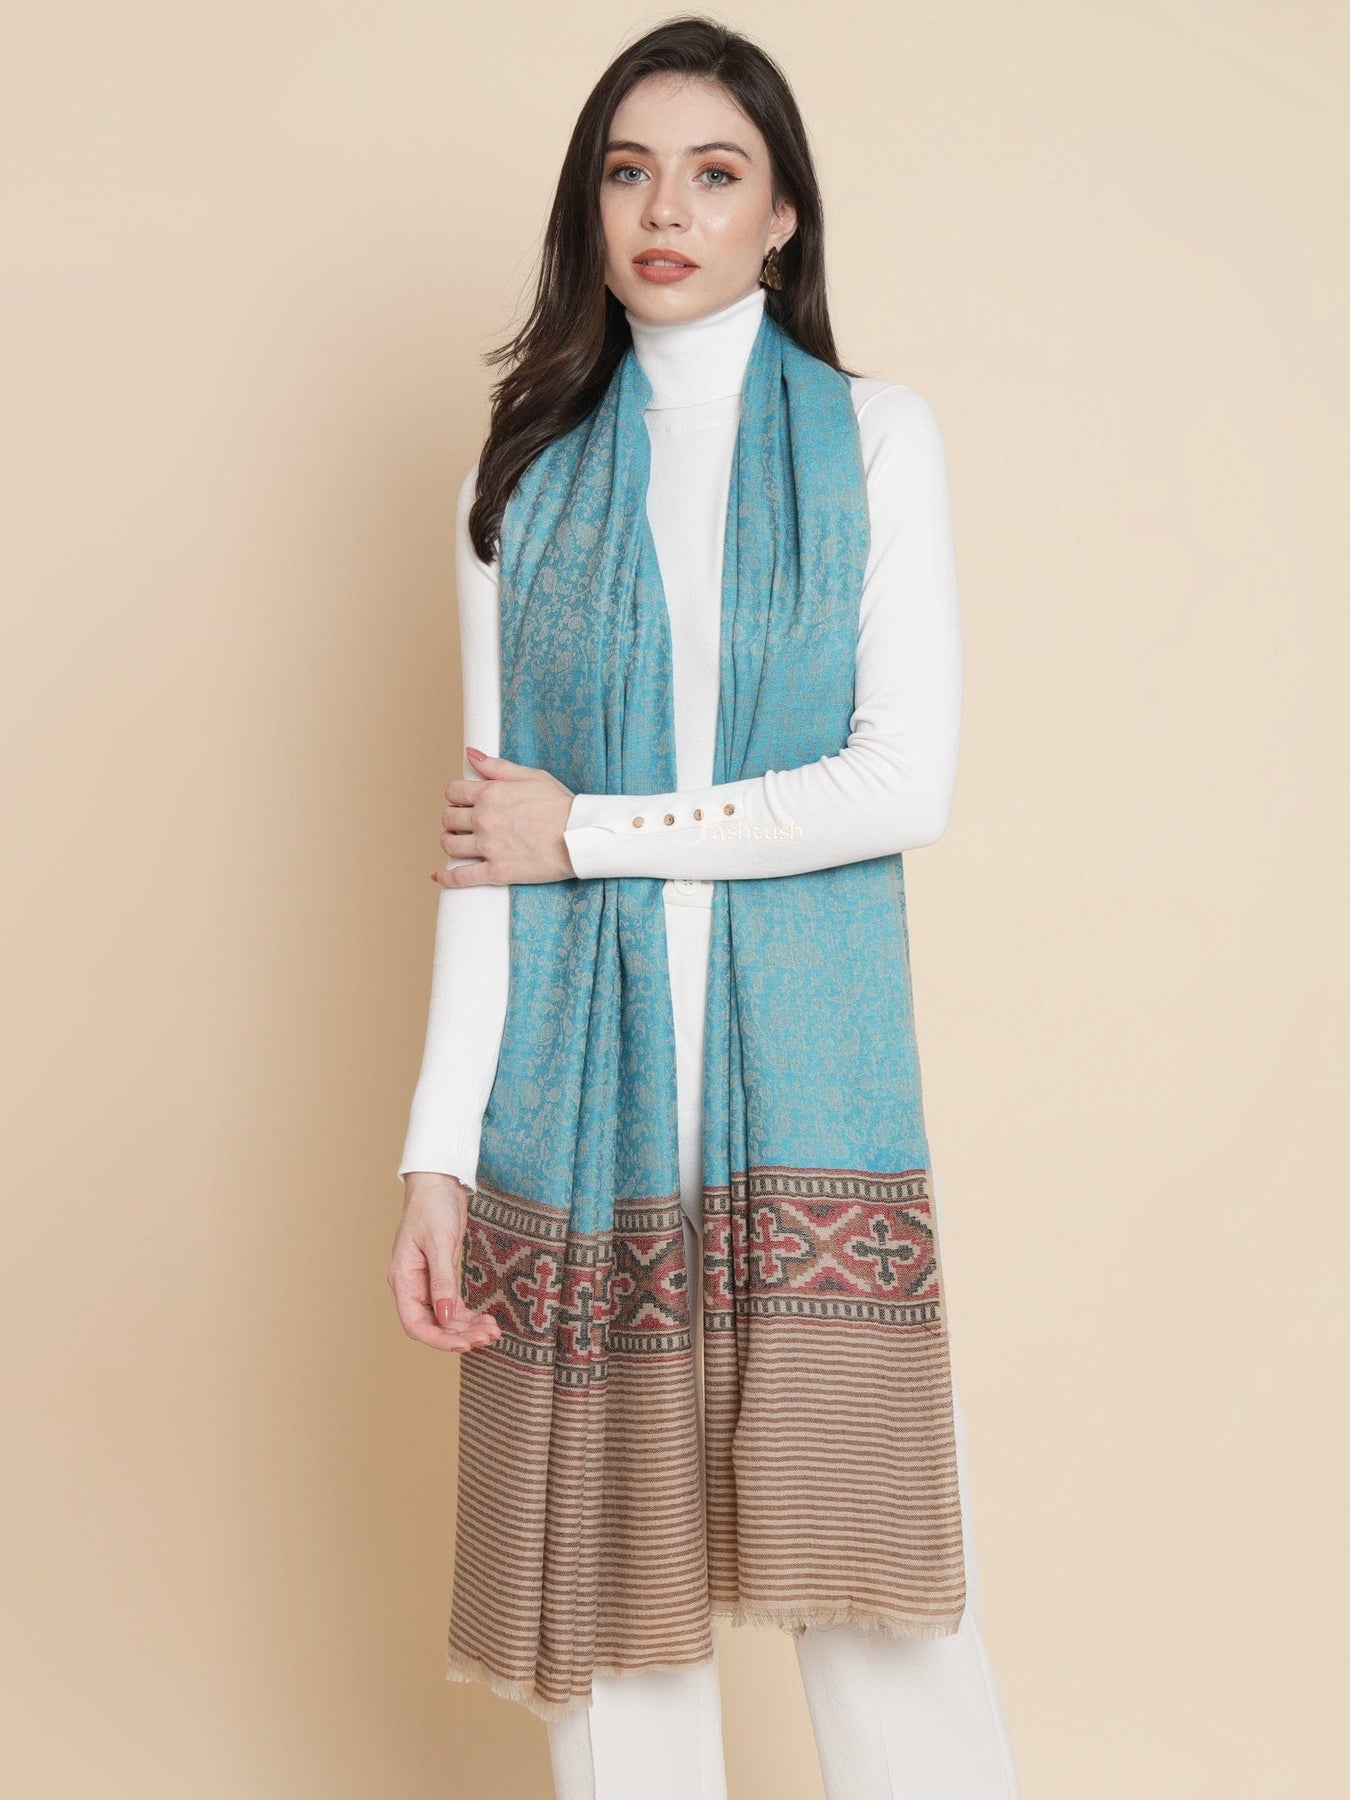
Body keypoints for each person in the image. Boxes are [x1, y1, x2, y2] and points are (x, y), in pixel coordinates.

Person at [389, 18, 1021, 1799]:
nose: (665, 210)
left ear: (781, 216)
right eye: (628, 171)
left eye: (714, 173)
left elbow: (897, 784)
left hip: (802, 1095)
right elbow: (486, 847)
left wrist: (589, 832)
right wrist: (435, 1152)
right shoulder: (516, 480)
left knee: (882, 1595)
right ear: (588, 207)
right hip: (571, 1102)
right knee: (610, 1619)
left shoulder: (874, 439)